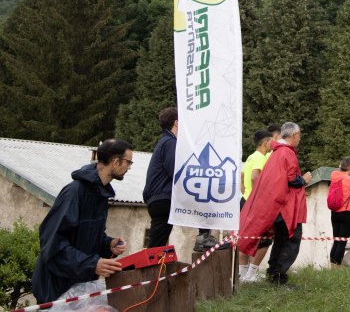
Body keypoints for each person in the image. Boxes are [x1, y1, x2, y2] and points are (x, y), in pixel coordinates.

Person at [31, 139, 132, 308]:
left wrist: (108, 245)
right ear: (116, 162)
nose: (129, 168)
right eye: (128, 162)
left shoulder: (101, 195)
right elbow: (52, 244)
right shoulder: (74, 192)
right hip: (55, 289)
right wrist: (93, 264)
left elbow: (87, 237)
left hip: (80, 287)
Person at [237, 122, 312, 286]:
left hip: (274, 206)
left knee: (277, 241)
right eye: (299, 135)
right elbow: (291, 180)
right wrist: (304, 180)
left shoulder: (276, 152)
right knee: (289, 242)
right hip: (285, 208)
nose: (300, 138)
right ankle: (277, 277)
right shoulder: (287, 153)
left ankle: (268, 275)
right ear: (294, 136)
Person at [142, 107, 217, 252]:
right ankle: (203, 238)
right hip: (164, 196)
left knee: (157, 242)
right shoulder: (170, 142)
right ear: (176, 122)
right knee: (204, 199)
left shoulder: (164, 141)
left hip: (157, 198)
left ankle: (152, 261)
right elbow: (177, 172)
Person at [238, 129, 272, 282]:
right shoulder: (260, 157)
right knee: (265, 239)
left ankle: (243, 274)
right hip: (254, 203)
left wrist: (245, 192)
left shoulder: (251, 156)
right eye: (271, 142)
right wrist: (260, 198)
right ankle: (252, 274)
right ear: (265, 143)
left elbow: (242, 176)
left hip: (244, 201)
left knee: (245, 238)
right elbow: (254, 177)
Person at [328, 156, 350, 267]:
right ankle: (337, 268)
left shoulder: (334, 176)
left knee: (336, 240)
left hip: (334, 212)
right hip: (347, 213)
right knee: (342, 242)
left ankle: (332, 268)